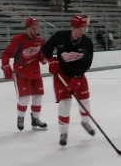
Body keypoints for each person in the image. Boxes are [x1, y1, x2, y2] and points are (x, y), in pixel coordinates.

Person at [41, 15, 95, 146]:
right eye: (78, 29)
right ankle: (63, 132)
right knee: (65, 103)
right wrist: (51, 59)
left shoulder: (87, 43)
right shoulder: (60, 36)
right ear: (72, 28)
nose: (81, 32)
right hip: (62, 75)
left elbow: (87, 63)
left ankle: (85, 122)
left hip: (78, 74)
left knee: (85, 100)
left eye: (84, 28)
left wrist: (77, 77)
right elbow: (46, 48)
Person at [0, 17, 48, 131]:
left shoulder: (40, 41)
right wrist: (6, 65)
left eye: (37, 28)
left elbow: (42, 54)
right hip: (21, 74)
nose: (35, 30)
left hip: (35, 73)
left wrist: (43, 58)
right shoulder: (18, 39)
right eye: (33, 28)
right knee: (25, 98)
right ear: (27, 28)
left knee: (38, 96)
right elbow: (6, 54)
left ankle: (35, 119)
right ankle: (20, 117)